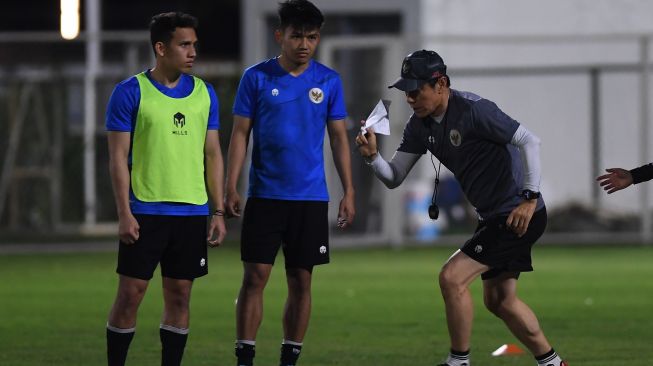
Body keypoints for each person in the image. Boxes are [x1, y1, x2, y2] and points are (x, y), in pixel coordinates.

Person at [355, 50, 567, 366]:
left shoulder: (474, 110)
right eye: (407, 92)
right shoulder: (418, 125)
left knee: (451, 277)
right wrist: (373, 157)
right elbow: (395, 176)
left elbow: (529, 141)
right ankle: (552, 363)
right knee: (500, 301)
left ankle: (458, 362)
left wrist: (529, 198)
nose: (410, 98)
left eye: (417, 90)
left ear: (441, 83)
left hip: (517, 215)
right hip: (494, 217)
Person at [224, 1, 355, 365]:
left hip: (310, 198)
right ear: (280, 35)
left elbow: (339, 138)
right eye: (297, 36)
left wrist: (349, 190)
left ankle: (288, 359)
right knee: (255, 277)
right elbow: (240, 134)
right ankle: (245, 357)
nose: (304, 44)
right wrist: (230, 185)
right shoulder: (256, 77)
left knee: (301, 281)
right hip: (265, 195)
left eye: (312, 37)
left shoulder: (328, 81)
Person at [104, 11, 226, 366]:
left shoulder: (205, 93)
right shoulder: (129, 92)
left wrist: (217, 210)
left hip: (191, 213)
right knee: (130, 295)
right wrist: (124, 212)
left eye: (194, 45)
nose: (192, 52)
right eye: (183, 45)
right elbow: (116, 157)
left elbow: (213, 153)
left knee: (180, 297)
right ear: (160, 47)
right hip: (144, 212)